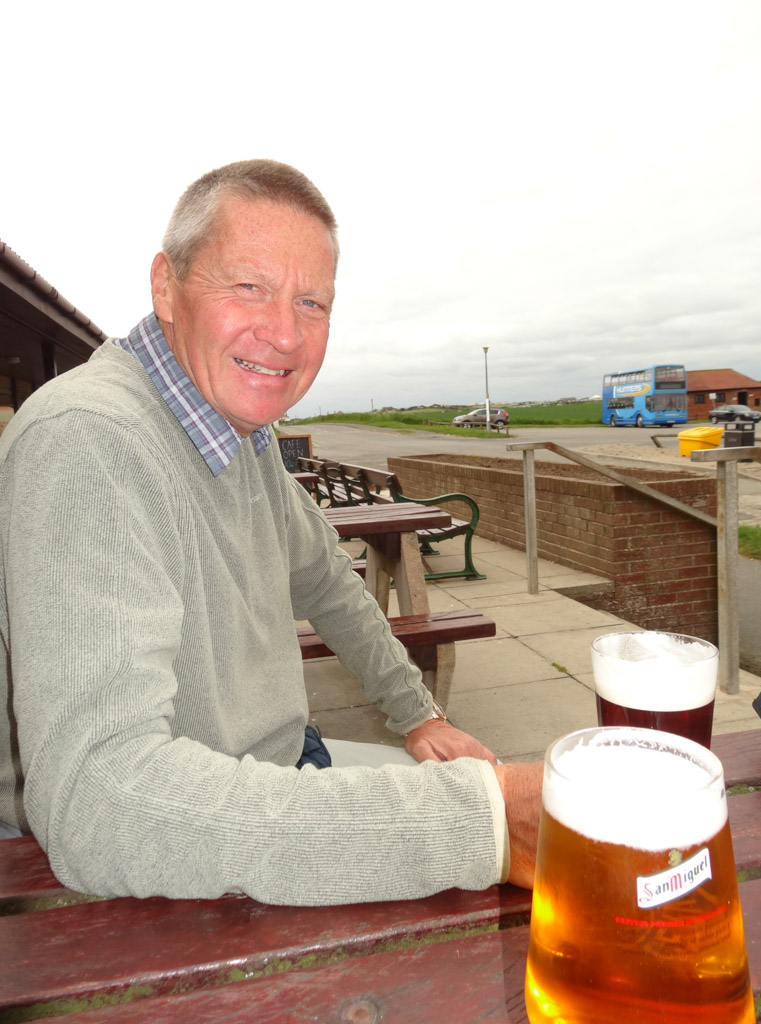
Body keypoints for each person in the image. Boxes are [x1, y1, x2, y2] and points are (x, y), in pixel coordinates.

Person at [0, 159, 542, 903]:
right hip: (140, 868)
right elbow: (100, 801)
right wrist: (487, 823)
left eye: (312, 302)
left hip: (283, 763)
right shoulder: (91, 441)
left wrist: (420, 715)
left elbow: (328, 580)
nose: (285, 334)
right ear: (166, 286)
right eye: (248, 286)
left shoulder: (239, 431)